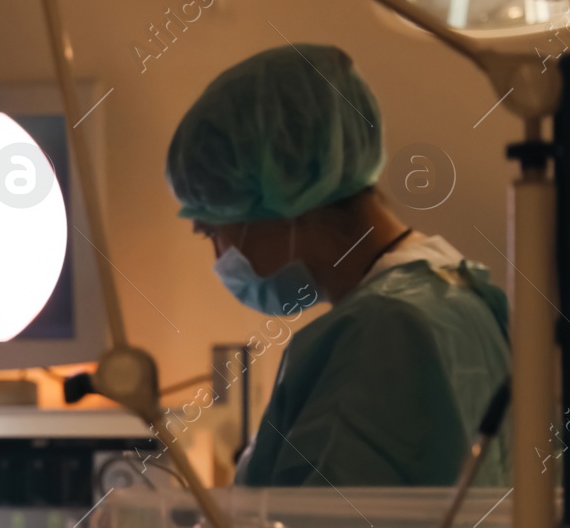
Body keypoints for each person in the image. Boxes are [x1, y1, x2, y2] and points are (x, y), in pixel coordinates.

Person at [165, 43, 510, 487]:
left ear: (282, 197)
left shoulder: (381, 331)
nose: (220, 259)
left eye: (212, 232)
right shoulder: (455, 286)